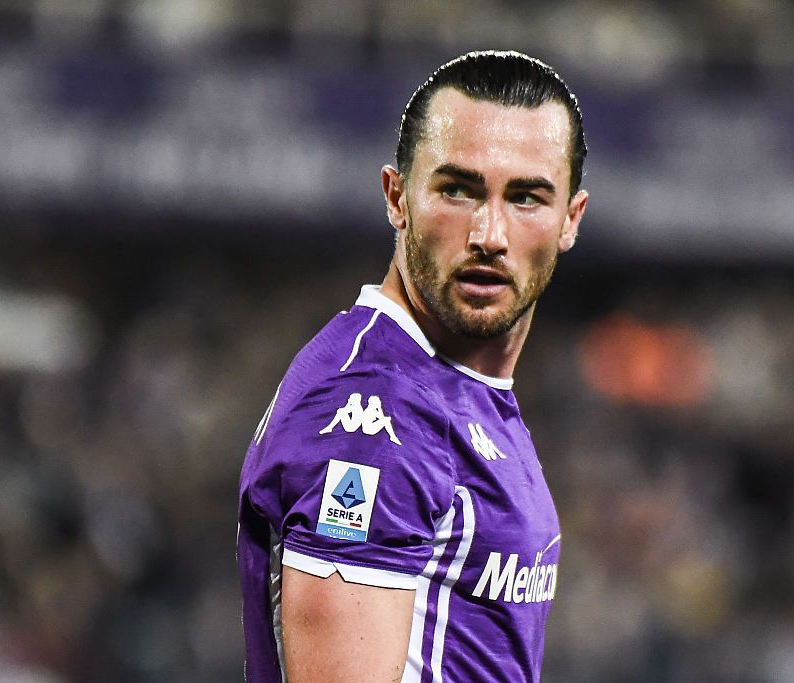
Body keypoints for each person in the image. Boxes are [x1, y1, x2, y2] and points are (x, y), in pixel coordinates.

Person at [237, 49, 589, 682]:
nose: (489, 233)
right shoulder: (374, 416)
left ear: (571, 219)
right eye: (458, 189)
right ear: (396, 198)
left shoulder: (456, 390)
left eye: (527, 198)